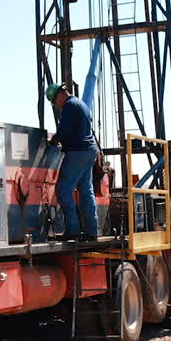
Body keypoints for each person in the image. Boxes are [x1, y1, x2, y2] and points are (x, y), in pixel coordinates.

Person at [45, 82, 99, 242]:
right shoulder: (81, 104)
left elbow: (63, 130)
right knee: (85, 191)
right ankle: (92, 232)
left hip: (77, 152)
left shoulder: (69, 105)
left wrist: (53, 142)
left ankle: (73, 230)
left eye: (55, 102)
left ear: (60, 95)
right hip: (89, 151)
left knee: (62, 190)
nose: (56, 105)